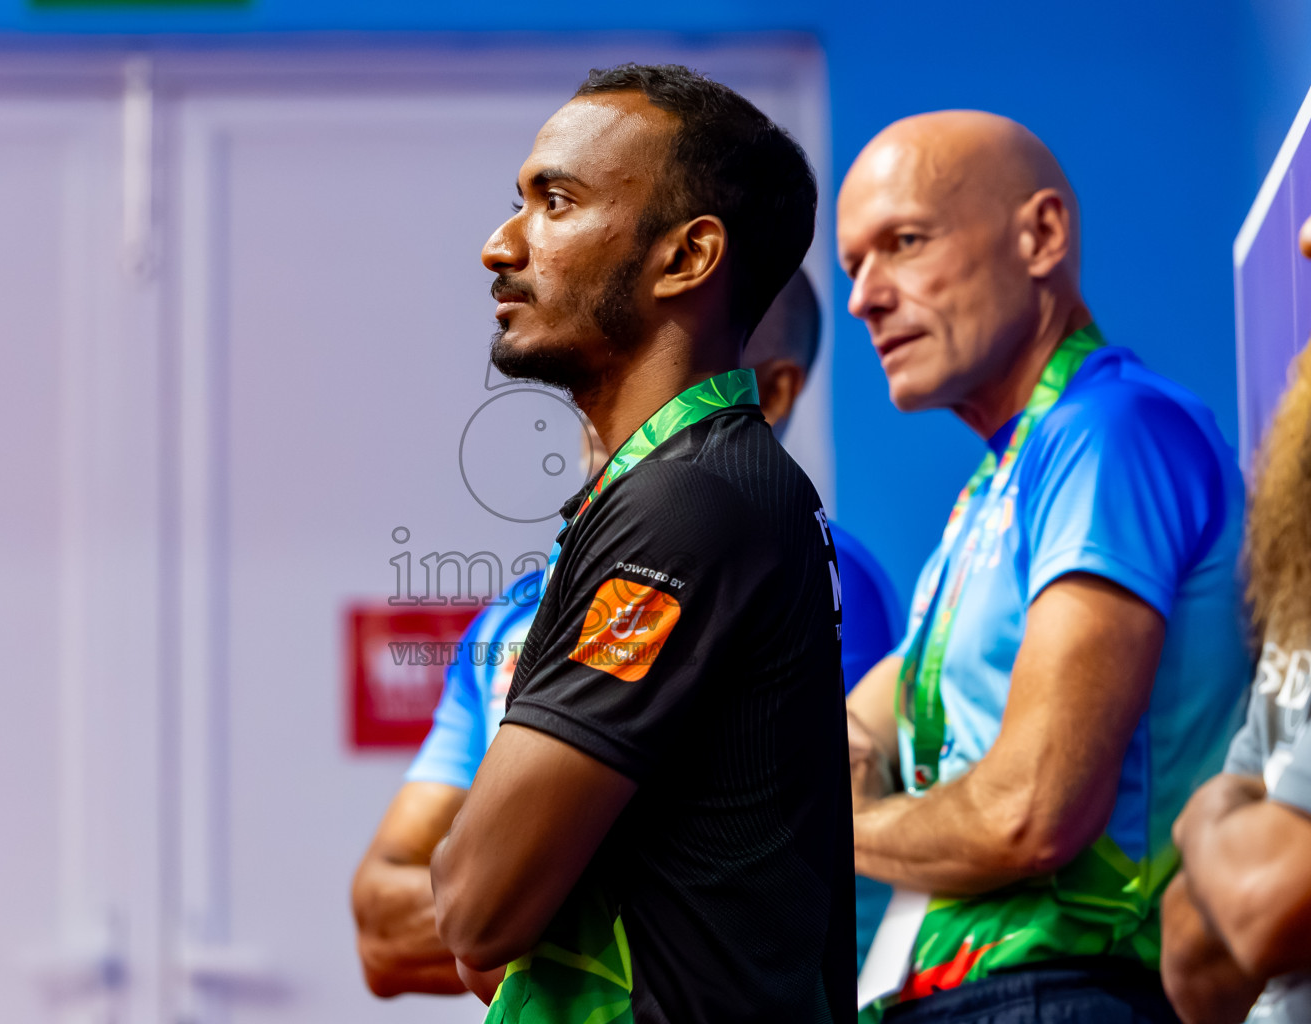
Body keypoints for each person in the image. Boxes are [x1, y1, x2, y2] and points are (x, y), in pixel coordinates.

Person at [429, 63, 853, 1023]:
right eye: (519, 203)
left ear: (687, 257)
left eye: (557, 202)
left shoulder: (689, 502)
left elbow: (474, 904)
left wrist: (489, 873)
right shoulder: (677, 490)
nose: (500, 245)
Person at [350, 267, 905, 997]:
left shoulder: (808, 573)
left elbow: (772, 879)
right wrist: (517, 890)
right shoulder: (514, 615)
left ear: (768, 393)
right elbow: (384, 927)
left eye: (651, 364)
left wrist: (519, 882)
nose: (600, 389)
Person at [837, 110, 1251, 1023]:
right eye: (854, 266)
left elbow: (1029, 810)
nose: (866, 296)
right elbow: (852, 735)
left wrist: (838, 830)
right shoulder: (1001, 481)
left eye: (903, 243)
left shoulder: (1111, 433)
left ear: (1042, 234)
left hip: (1067, 993)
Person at [1159, 214, 1311, 1024]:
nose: (1308, 238)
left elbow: (1264, 905)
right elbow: (1195, 960)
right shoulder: (1299, 595)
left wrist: (1210, 817)